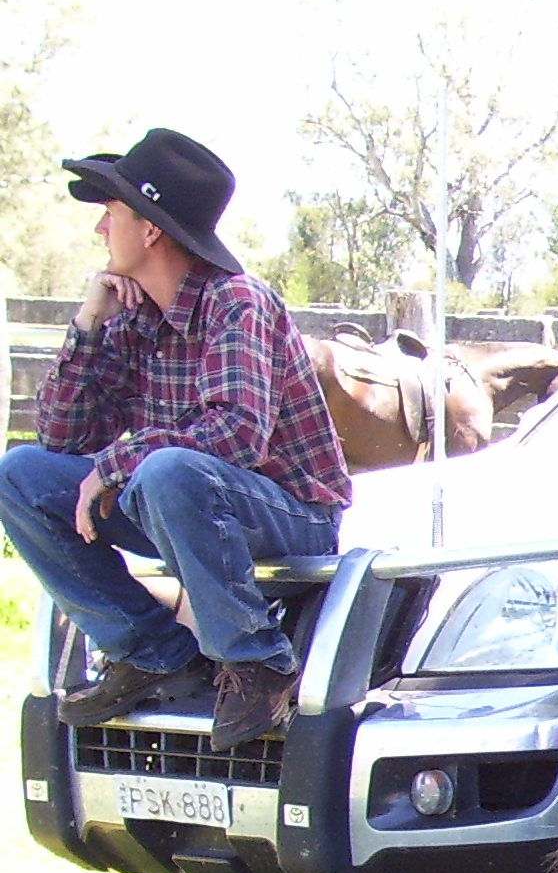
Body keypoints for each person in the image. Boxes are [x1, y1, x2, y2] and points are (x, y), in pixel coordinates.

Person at [0, 129, 351, 750]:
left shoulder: (236, 302)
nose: (99, 231)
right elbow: (60, 435)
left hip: (289, 513)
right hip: (179, 503)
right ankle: (151, 651)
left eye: (110, 214)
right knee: (21, 475)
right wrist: (88, 325)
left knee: (165, 470)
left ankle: (258, 664)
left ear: (151, 229)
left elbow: (237, 435)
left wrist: (116, 463)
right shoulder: (133, 318)